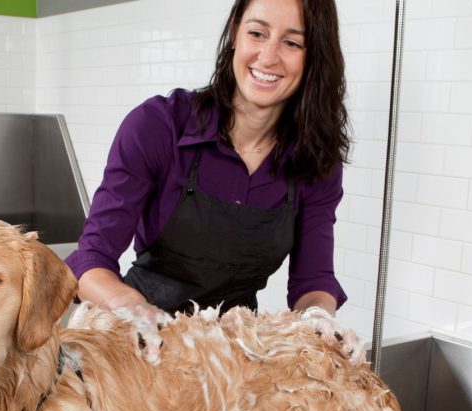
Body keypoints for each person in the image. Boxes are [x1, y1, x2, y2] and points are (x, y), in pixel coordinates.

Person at [65, 0, 349, 324]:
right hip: (139, 337)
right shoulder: (159, 126)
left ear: (315, 57)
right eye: (257, 33)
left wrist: (318, 320)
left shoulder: (315, 161)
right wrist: (133, 308)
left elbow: (313, 283)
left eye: (292, 42)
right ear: (234, 34)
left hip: (231, 353)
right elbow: (91, 260)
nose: (268, 57)